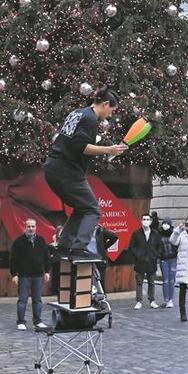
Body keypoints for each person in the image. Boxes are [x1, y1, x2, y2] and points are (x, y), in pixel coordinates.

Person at [42, 88, 127, 259]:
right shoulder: (90, 119)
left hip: (53, 167)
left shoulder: (77, 113)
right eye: (112, 110)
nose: (111, 115)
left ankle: (64, 246)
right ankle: (79, 247)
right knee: (92, 209)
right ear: (105, 104)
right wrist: (109, 149)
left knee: (82, 208)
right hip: (67, 170)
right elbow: (81, 146)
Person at [9, 218, 51, 331]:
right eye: (29, 226)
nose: (31, 229)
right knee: (22, 300)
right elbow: (13, 259)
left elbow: (46, 257)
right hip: (24, 276)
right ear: (25, 227)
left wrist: (47, 271)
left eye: (33, 226)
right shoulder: (18, 242)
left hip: (38, 275)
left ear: (36, 227)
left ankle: (37, 321)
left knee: (37, 299)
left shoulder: (41, 240)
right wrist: (14, 274)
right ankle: (21, 322)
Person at [128, 214, 162, 310]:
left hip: (152, 261)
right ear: (141, 221)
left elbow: (160, 246)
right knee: (139, 282)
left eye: (148, 219)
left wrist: (156, 255)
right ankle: (139, 301)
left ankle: (152, 301)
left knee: (151, 282)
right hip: (140, 262)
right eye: (144, 219)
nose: (146, 221)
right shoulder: (136, 233)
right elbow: (132, 247)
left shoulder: (155, 233)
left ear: (150, 221)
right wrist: (138, 255)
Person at [156, 217, 177, 308]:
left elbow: (177, 244)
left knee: (172, 280)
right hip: (163, 259)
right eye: (164, 223)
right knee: (165, 280)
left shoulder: (174, 233)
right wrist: (158, 255)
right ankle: (166, 300)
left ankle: (170, 300)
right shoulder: (159, 234)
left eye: (167, 224)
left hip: (173, 259)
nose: (165, 225)